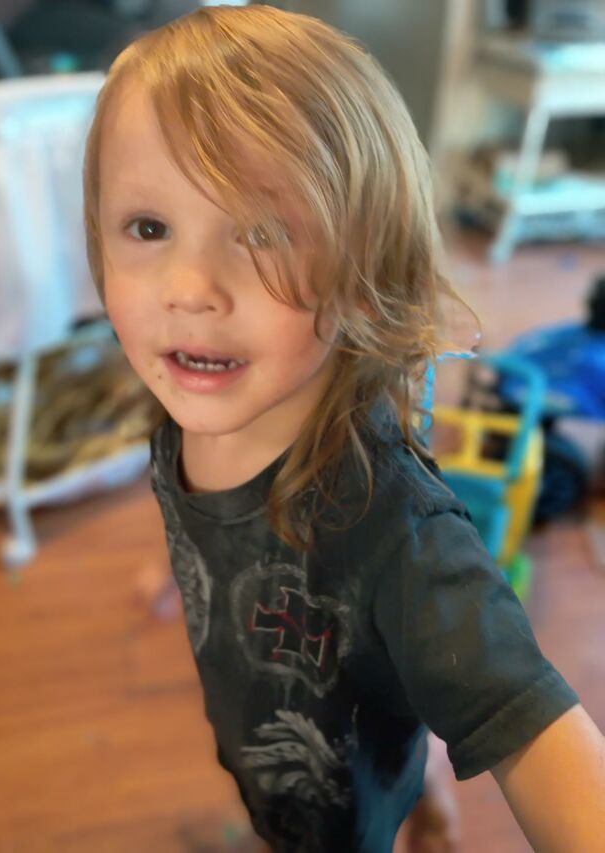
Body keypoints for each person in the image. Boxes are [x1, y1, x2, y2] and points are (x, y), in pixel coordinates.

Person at [82, 6, 605, 851]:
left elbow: (538, 729)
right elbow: (199, 515)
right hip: (261, 742)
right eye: (149, 227)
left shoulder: (402, 532)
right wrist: (176, 562)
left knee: (406, 723)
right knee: (401, 682)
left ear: (366, 268)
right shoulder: (184, 398)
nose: (189, 288)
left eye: (262, 233)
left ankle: (429, 803)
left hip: (346, 815)